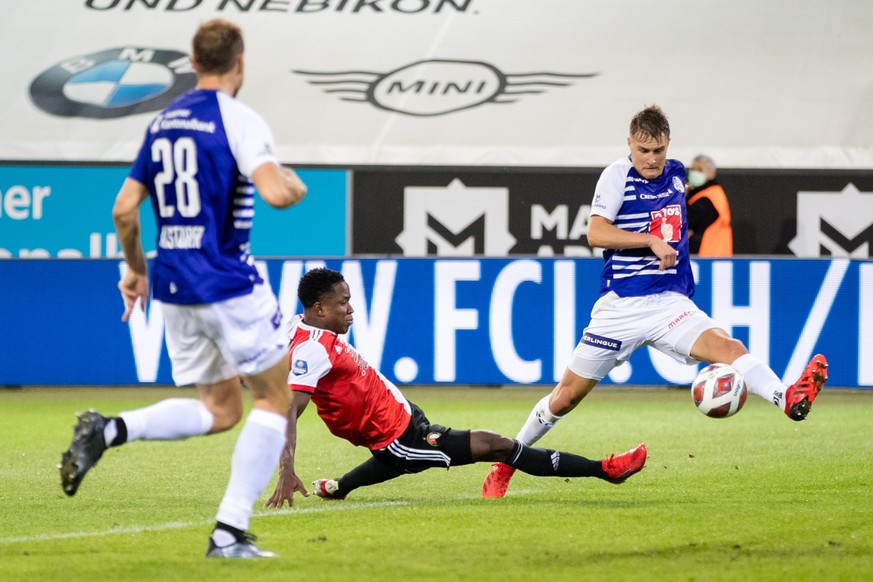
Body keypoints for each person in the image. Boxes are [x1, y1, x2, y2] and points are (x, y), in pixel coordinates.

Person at [481, 105, 828, 498]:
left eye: (658, 150)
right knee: (564, 399)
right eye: (643, 150)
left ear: (668, 146)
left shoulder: (678, 174)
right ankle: (506, 464)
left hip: (668, 304)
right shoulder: (616, 175)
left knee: (729, 347)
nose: (651, 158)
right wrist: (650, 240)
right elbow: (595, 234)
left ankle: (788, 398)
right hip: (621, 308)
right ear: (629, 144)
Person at [58, 19, 307, 559]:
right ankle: (229, 532)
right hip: (227, 281)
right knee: (274, 395)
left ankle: (109, 430)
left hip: (173, 285)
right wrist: (292, 182)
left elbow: (124, 210)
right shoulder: (239, 120)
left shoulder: (162, 122)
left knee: (220, 409)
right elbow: (276, 194)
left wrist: (137, 270)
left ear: (193, 64)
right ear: (240, 63)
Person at [264, 268, 648, 507]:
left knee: (395, 461)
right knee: (497, 445)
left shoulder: (303, 326)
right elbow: (290, 409)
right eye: (343, 303)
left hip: (402, 419)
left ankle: (339, 487)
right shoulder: (313, 348)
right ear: (318, 308)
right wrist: (286, 470)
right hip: (399, 436)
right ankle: (605, 470)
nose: (350, 309)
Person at [686, 154, 733, 256]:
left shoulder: (708, 198)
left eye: (700, 170)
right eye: (693, 169)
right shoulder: (710, 193)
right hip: (716, 254)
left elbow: (685, 219)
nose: (694, 173)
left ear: (711, 174)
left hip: (708, 256)